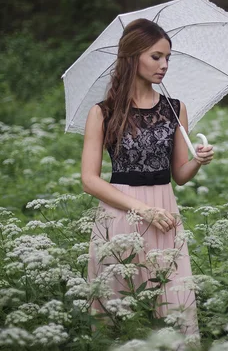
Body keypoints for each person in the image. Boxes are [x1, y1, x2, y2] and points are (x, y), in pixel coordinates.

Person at [81, 18, 214, 336]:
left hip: (165, 215)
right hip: (120, 215)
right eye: (156, 56)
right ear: (132, 56)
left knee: (174, 303)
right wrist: (142, 210)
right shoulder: (103, 112)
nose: (164, 65)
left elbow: (179, 175)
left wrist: (196, 161)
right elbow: (89, 179)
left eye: (168, 57)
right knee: (118, 309)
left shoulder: (174, 108)